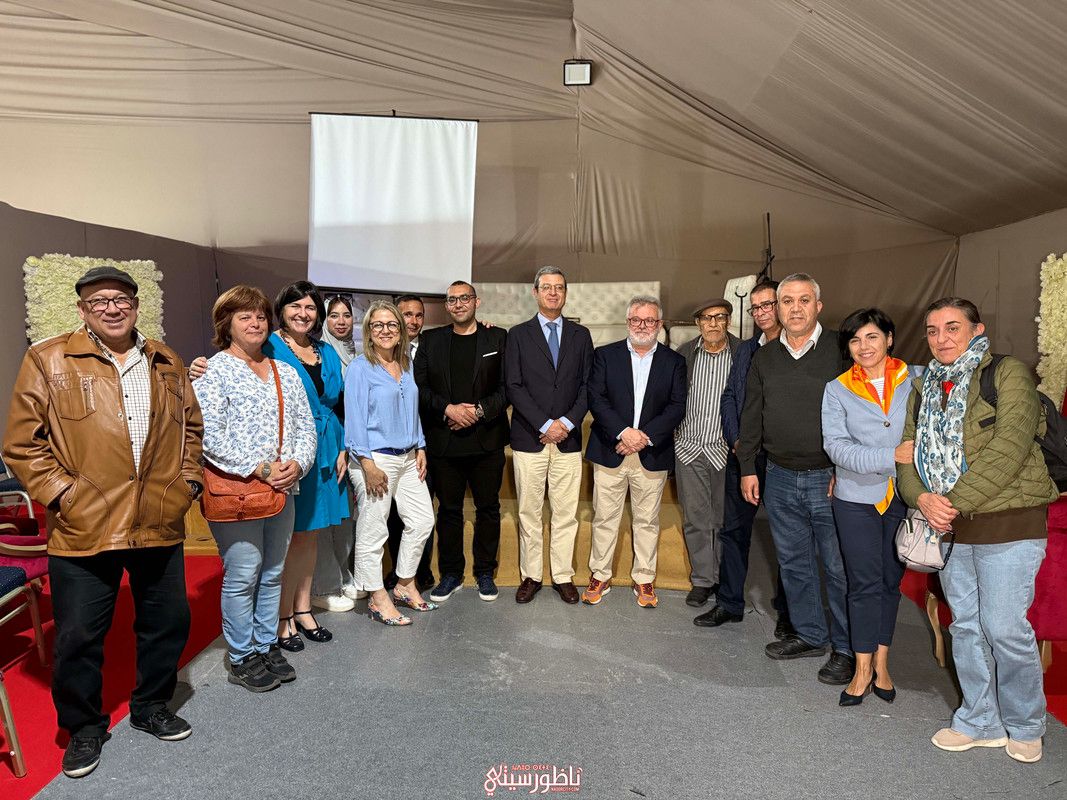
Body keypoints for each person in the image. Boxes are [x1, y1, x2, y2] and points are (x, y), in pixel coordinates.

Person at [3, 266, 203, 778]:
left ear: (136, 305)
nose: (112, 308)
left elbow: (192, 430)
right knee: (78, 637)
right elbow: (23, 445)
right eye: (99, 302)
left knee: (167, 623)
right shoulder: (49, 359)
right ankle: (84, 728)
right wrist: (65, 496)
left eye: (120, 299)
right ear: (83, 310)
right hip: (84, 525)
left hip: (159, 518)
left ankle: (151, 706)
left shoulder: (165, 360)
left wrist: (187, 486)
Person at [897, 297, 1059, 763]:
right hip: (949, 527)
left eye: (952, 327)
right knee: (965, 626)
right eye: (932, 330)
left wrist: (953, 502)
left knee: (1004, 627)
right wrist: (920, 497)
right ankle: (979, 719)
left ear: (976, 329)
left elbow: (1009, 446)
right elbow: (907, 453)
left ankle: (1026, 723)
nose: (941, 338)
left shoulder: (1009, 373)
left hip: (1009, 521)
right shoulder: (925, 385)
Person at [193, 286, 317, 692]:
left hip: (283, 489)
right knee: (243, 573)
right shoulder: (213, 371)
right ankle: (241, 653)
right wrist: (262, 468)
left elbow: (305, 427)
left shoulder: (285, 371)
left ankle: (265, 644)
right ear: (226, 324)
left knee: (273, 571)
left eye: (261, 316)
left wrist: (297, 464)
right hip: (238, 490)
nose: (255, 323)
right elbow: (209, 435)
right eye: (244, 316)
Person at [736, 273, 854, 685]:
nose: (796, 308)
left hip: (831, 479)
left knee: (837, 567)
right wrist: (748, 467)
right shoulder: (765, 357)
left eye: (804, 300)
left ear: (819, 306)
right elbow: (751, 415)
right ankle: (810, 634)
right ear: (777, 309)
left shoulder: (843, 350)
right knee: (794, 564)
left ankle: (846, 648)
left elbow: (864, 410)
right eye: (787, 301)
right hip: (780, 477)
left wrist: (849, 469)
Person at [821, 308, 918, 705]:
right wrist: (891, 455)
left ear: (890, 339)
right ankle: (861, 670)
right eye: (856, 340)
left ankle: (882, 663)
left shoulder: (919, 379)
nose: (864, 346)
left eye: (873, 337)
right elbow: (837, 447)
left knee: (889, 584)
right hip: (856, 498)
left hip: (905, 496)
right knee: (862, 583)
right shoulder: (837, 388)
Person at [582, 296, 686, 608]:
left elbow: (676, 406)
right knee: (605, 517)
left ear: (660, 324)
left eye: (649, 320)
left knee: (647, 520)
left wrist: (643, 437)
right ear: (628, 322)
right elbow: (596, 398)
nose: (642, 326)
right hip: (611, 448)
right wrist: (624, 432)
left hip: (650, 453)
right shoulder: (605, 355)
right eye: (636, 320)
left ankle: (644, 578)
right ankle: (600, 575)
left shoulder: (674, 362)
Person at [700, 280, 792, 632]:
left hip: (783, 462)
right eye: (756, 308)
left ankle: (788, 611)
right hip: (744, 458)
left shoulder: (798, 349)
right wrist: (737, 440)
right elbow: (729, 398)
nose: (762, 313)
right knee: (733, 532)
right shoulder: (746, 350)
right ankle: (729, 603)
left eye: (768, 305)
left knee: (787, 537)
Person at [264, 282, 349, 649]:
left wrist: (343, 447)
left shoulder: (326, 351)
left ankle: (303, 608)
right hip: (290, 448)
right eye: (295, 306)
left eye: (311, 308)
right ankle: (281, 615)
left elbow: (335, 403)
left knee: (312, 534)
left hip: (328, 446)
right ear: (282, 309)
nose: (303, 313)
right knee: (290, 536)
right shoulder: (268, 345)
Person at [414, 281, 509, 603]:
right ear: (447, 306)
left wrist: (479, 411)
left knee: (488, 510)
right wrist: (448, 409)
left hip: (487, 441)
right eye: (452, 300)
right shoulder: (431, 340)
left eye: (464, 298)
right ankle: (451, 574)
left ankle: (485, 572)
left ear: (476, 301)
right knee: (449, 512)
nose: (458, 304)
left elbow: (507, 388)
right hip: (445, 442)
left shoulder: (498, 337)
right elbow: (420, 388)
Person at [505, 266, 594, 604]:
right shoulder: (518, 334)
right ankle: (531, 575)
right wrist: (545, 425)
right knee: (528, 511)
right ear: (535, 292)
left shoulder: (580, 335)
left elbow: (588, 386)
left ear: (566, 293)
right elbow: (513, 385)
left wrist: (566, 424)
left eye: (559, 287)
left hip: (568, 441)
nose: (553, 293)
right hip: (530, 438)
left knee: (565, 512)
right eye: (547, 287)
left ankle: (562, 575)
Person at [345, 301, 436, 625]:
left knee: (423, 520)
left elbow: (412, 412)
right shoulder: (359, 368)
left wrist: (421, 445)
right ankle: (377, 597)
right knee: (373, 530)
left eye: (391, 325)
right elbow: (354, 420)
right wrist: (367, 465)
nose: (385, 330)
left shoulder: (406, 365)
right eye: (377, 325)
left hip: (409, 456)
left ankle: (404, 583)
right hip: (375, 459)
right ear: (369, 332)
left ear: (401, 331)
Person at [673, 298, 739, 609]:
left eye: (720, 317)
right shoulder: (684, 354)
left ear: (728, 321)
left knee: (724, 520)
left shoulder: (743, 354)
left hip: (725, 450)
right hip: (688, 448)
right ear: (698, 323)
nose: (713, 323)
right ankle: (702, 579)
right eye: (706, 318)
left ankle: (724, 579)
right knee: (696, 519)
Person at [311, 294, 363, 612]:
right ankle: (322, 584)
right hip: (325, 443)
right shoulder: (318, 354)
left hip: (349, 444)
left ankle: (342, 576)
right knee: (322, 516)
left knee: (344, 518)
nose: (341, 321)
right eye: (334, 315)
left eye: (346, 315)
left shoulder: (354, 353)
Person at [385, 294, 436, 591]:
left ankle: (421, 571)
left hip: (425, 443)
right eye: (407, 315)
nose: (413, 321)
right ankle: (397, 570)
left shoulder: (432, 345)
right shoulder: (383, 351)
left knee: (422, 511)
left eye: (418, 315)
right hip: (393, 446)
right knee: (394, 515)